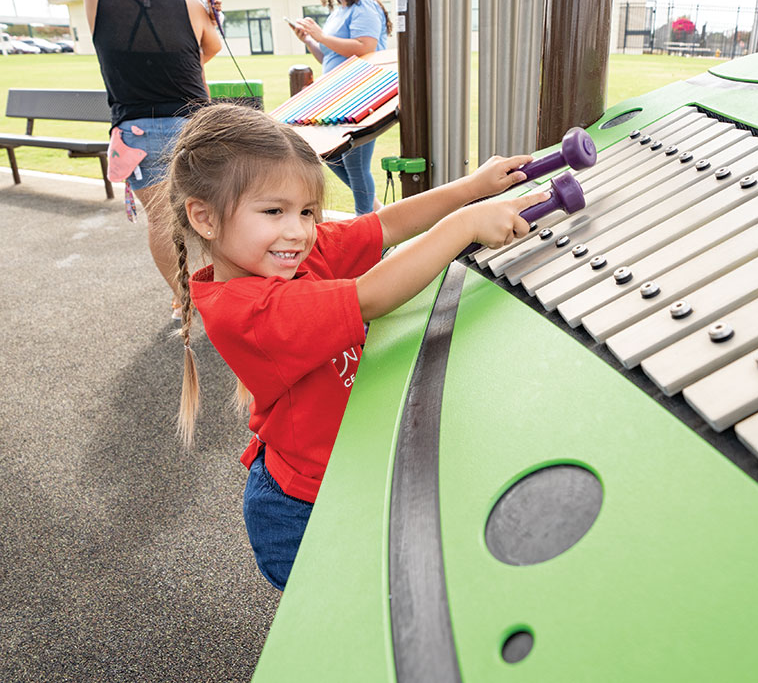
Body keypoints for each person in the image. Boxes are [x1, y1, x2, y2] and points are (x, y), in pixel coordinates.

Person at [165, 104, 548, 590]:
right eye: (273, 211)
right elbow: (371, 295)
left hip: (345, 476)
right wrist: (464, 225)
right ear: (204, 218)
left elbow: (385, 225)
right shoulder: (251, 310)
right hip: (304, 510)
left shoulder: (284, 256)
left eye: (306, 212)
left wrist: (473, 188)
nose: (299, 231)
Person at [82, 0, 221, 320]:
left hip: (136, 130)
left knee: (162, 221)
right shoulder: (190, 4)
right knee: (213, 212)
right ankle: (223, 293)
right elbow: (210, 48)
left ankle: (184, 298)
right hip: (193, 123)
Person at [289, 0, 393, 216]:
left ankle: (366, 225)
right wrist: (311, 41)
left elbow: (365, 47)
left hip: (361, 93)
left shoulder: (365, 7)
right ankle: (373, 212)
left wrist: (321, 35)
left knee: (356, 165)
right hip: (336, 93)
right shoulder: (339, 12)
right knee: (331, 154)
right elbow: (330, 57)